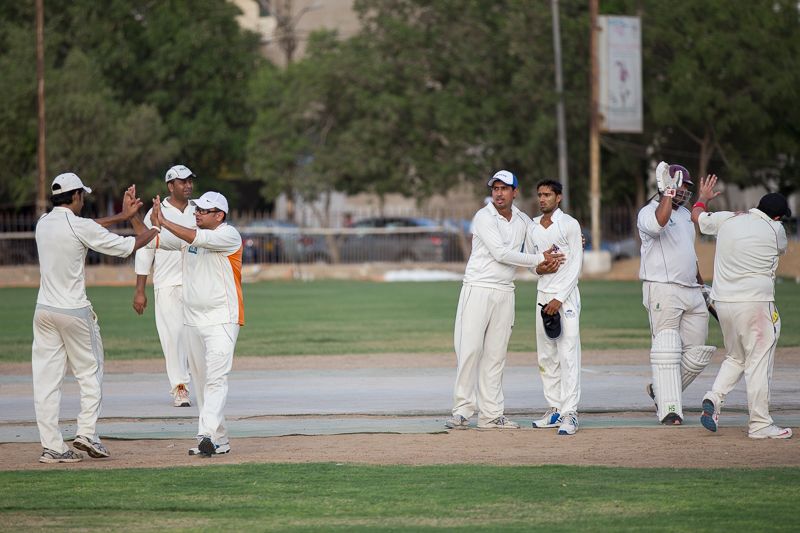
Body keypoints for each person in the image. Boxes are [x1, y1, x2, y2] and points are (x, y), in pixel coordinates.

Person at [33, 173, 159, 463]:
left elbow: (88, 227)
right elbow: (128, 246)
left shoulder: (43, 223)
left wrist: (121, 216)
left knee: (46, 382)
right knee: (90, 373)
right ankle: (87, 432)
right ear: (76, 196)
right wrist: (156, 227)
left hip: (43, 311)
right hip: (74, 311)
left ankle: (52, 447)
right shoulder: (79, 226)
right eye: (83, 195)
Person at [445, 170, 564, 430]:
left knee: (496, 356)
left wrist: (568, 244)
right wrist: (539, 259)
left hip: (505, 291)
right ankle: (462, 411)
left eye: (504, 188)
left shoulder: (523, 221)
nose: (498, 193)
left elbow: (536, 252)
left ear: (514, 192)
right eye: (495, 188)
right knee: (469, 351)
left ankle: (491, 415)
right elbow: (501, 253)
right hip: (478, 287)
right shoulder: (483, 216)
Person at [692, 176, 792, 439]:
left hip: (723, 303)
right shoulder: (776, 230)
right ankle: (760, 424)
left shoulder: (728, 218)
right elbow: (780, 249)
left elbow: (697, 218)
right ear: (778, 217)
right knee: (758, 362)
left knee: (736, 357)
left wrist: (702, 198)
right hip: (756, 305)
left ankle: (714, 397)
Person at [148, 191, 244, 456]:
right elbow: (154, 240)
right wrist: (135, 218)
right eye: (197, 209)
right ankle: (219, 439)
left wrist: (165, 221)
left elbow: (194, 237)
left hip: (222, 318)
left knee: (216, 378)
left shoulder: (229, 235)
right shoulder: (190, 237)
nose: (197, 213)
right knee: (201, 384)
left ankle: (205, 434)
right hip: (192, 320)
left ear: (219, 215)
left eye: (204, 210)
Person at [637, 162, 716, 425]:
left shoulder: (684, 215)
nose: (684, 191)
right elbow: (658, 224)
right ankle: (669, 409)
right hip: (663, 288)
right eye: (680, 186)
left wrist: (703, 287)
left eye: (686, 187)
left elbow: (689, 256)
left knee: (698, 353)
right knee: (667, 350)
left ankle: (660, 391)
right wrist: (667, 195)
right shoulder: (648, 212)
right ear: (666, 186)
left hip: (692, 290)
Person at [133, 165, 196, 407]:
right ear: (170, 186)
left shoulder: (199, 210)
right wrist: (140, 290)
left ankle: (200, 382)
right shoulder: (155, 212)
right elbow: (145, 250)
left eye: (190, 181)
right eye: (182, 181)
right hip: (167, 284)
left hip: (196, 284)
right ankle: (180, 387)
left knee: (196, 337)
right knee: (173, 337)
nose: (188, 185)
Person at [526, 180, 584, 435]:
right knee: (546, 356)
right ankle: (555, 410)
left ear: (558, 197)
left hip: (566, 297)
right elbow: (531, 263)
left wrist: (559, 297)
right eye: (540, 195)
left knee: (568, 354)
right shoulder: (532, 227)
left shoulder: (569, 224)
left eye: (547, 195)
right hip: (543, 294)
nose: (542, 199)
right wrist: (539, 269)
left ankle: (570, 413)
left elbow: (576, 264)